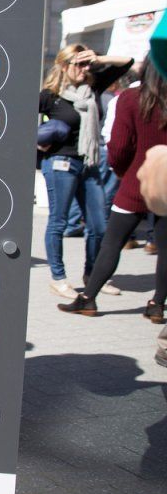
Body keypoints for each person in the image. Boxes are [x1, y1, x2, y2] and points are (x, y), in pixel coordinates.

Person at [58, 61, 167, 315]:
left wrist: (122, 172)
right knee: (165, 248)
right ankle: (157, 304)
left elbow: (118, 146)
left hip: (135, 179)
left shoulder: (131, 98)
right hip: (165, 182)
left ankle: (88, 298)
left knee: (112, 243)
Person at [40, 45, 132, 298]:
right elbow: (18, 119)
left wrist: (98, 58)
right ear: (64, 65)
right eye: (78, 64)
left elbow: (126, 62)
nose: (84, 69)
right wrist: (37, 142)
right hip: (60, 163)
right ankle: (58, 278)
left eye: (86, 64)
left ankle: (93, 276)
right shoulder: (50, 95)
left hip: (89, 164)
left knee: (99, 225)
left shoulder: (92, 88)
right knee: (58, 222)